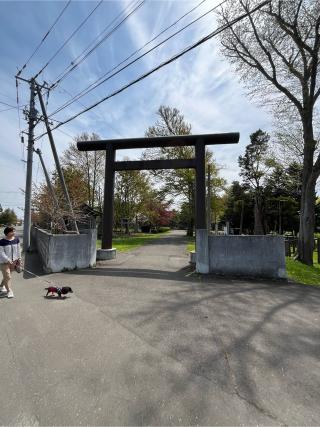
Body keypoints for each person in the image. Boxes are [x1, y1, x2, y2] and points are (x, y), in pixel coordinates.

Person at [0, 226, 21, 299]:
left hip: (14, 261)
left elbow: (18, 250)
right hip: (4, 262)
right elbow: (1, 253)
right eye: (12, 231)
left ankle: (1, 286)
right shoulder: (2, 241)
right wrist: (8, 259)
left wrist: (19, 259)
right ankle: (9, 291)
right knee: (8, 276)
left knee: (6, 277)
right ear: (7, 233)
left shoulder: (16, 240)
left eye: (14, 231)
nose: (14, 232)